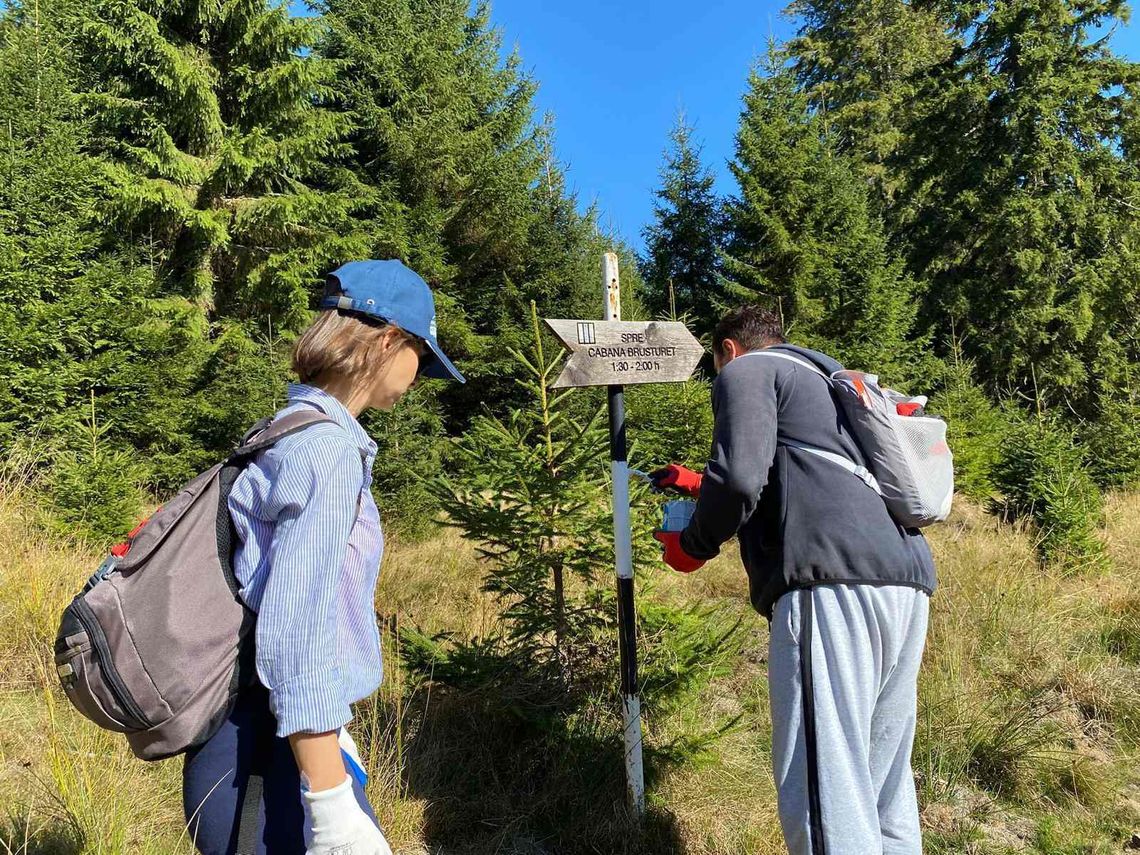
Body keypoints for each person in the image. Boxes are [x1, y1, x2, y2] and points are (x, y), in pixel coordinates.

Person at [182, 260, 464, 855]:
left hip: (261, 735)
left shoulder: (286, 427)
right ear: (388, 341)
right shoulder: (328, 451)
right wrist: (331, 802)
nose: (419, 375)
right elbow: (299, 628)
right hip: (271, 754)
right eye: (420, 354)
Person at [651, 306, 936, 855]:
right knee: (882, 785)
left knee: (826, 790)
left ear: (727, 350)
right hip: (904, 578)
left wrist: (693, 545)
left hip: (829, 582)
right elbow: (810, 471)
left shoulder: (747, 369)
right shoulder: (828, 380)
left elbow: (740, 480)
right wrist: (697, 484)